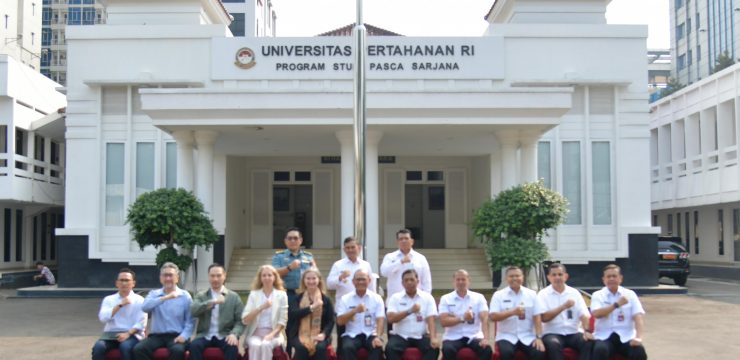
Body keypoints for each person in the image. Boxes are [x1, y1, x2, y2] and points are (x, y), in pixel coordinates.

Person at [133, 262, 195, 360]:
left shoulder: (185, 296)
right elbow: (145, 307)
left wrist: (184, 336)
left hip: (177, 335)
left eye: (170, 275)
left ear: (177, 277)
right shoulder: (154, 294)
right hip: (156, 336)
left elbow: (190, 321)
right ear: (160, 278)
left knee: (177, 351)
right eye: (165, 275)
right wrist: (164, 298)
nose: (168, 279)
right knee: (138, 349)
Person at [590, 264, 647, 360]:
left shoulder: (630, 294)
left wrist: (638, 337)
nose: (611, 279)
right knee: (600, 350)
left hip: (626, 336)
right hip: (604, 336)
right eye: (608, 276)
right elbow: (597, 314)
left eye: (614, 276)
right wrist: (616, 305)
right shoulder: (597, 295)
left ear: (620, 278)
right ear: (604, 279)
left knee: (639, 351)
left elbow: (638, 317)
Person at [538, 263, 593, 360]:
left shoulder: (574, 293)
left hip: (573, 332)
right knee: (553, 344)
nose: (557, 277)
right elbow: (544, 318)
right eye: (554, 275)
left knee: (588, 342)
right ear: (549, 277)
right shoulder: (543, 294)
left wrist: (587, 331)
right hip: (552, 332)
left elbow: (584, 315)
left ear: (566, 276)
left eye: (560, 274)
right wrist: (563, 307)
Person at [189, 263, 244, 360]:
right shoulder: (201, 295)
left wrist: (234, 333)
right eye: (212, 276)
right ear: (208, 277)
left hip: (225, 334)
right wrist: (213, 302)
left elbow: (240, 321)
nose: (215, 279)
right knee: (194, 346)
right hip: (204, 334)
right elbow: (193, 311)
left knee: (232, 346)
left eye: (218, 275)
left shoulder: (233, 297)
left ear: (224, 276)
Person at [489, 266, 545, 360]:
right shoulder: (498, 295)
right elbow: (493, 317)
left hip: (528, 336)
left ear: (522, 277)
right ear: (506, 278)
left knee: (538, 351)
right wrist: (512, 312)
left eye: (517, 276)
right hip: (506, 336)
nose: (514, 278)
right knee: (506, 353)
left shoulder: (532, 294)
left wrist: (539, 338)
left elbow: (537, 317)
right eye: (511, 276)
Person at [91, 268, 146, 360]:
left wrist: (127, 334)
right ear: (117, 283)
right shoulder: (109, 299)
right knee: (98, 347)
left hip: (132, 334)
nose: (124, 283)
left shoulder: (139, 300)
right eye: (121, 280)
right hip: (111, 335)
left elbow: (141, 323)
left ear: (133, 283)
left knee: (125, 347)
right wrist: (119, 305)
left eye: (127, 280)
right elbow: (103, 318)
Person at [385, 269, 440, 360]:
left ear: (417, 281)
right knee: (390, 349)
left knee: (434, 349)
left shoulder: (427, 298)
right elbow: (391, 319)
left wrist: (434, 338)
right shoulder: (395, 298)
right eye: (406, 280)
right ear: (402, 283)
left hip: (421, 336)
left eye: (412, 279)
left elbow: (431, 320)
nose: (409, 282)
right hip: (400, 335)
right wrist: (409, 311)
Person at [438, 269, 491, 360]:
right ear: (453, 282)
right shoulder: (446, 299)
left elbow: (485, 319)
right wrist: (463, 318)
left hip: (474, 336)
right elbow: (444, 322)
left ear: (469, 281)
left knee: (486, 349)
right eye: (458, 280)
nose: (460, 282)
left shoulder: (478, 298)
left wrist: (486, 338)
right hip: (452, 336)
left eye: (463, 279)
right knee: (447, 349)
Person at [336, 270, 386, 360]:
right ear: (353, 282)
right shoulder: (345, 299)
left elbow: (380, 320)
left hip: (371, 334)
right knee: (348, 347)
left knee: (377, 347)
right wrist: (354, 311)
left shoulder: (377, 298)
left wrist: (378, 337)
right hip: (352, 334)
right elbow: (340, 322)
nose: (361, 282)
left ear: (369, 280)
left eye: (363, 279)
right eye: (358, 279)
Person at [242, 265, 289, 360]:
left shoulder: (282, 295)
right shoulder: (254, 294)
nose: (267, 278)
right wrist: (261, 307)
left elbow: (283, 321)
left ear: (274, 277)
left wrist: (271, 335)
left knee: (265, 345)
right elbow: (245, 320)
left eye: (269, 275)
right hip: (255, 333)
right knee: (255, 345)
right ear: (260, 278)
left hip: (274, 334)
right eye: (264, 275)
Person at [287, 267, 335, 359]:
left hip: (320, 333)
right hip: (299, 334)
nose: (311, 281)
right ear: (303, 281)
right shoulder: (297, 298)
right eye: (308, 278)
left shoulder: (326, 299)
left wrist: (324, 334)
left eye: (314, 278)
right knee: (302, 348)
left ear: (319, 280)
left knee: (320, 348)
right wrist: (312, 307)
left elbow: (330, 321)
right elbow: (293, 314)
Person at [380, 229, 431, 298]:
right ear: (397, 242)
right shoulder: (390, 257)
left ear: (412, 241)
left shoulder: (420, 258)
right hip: (395, 301)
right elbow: (384, 272)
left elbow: (426, 281)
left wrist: (425, 298)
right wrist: (400, 262)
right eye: (401, 239)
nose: (403, 241)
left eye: (406, 238)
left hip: (416, 300)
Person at [272, 227, 317, 303]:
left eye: (295, 238)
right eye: (289, 238)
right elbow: (274, 273)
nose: (292, 241)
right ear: (285, 241)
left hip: (305, 293)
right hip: (285, 293)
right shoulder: (279, 256)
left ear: (301, 240)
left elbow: (315, 275)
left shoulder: (308, 257)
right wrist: (289, 268)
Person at [327, 236, 376, 301]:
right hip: (343, 306)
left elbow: (371, 286)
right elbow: (329, 285)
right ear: (344, 249)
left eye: (353, 247)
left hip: (362, 303)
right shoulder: (338, 265)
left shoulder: (366, 265)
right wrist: (340, 278)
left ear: (359, 248)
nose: (350, 250)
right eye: (347, 248)